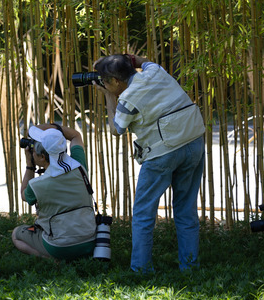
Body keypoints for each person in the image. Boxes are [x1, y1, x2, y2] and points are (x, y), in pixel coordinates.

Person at [93, 54, 205, 272]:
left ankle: (141, 270)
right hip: (194, 143)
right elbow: (142, 61)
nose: (104, 84)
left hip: (163, 153)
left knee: (144, 214)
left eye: (106, 81)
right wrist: (124, 60)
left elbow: (117, 129)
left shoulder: (128, 100)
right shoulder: (155, 71)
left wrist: (108, 97)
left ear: (116, 81)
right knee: (186, 210)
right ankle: (190, 267)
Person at [12, 123, 97, 260]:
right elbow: (76, 135)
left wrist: (29, 165)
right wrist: (53, 129)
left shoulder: (38, 184)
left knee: (16, 234)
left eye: (34, 151)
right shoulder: (79, 165)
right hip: (90, 241)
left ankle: (51, 259)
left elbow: (23, 195)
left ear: (42, 158)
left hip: (59, 247)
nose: (32, 152)